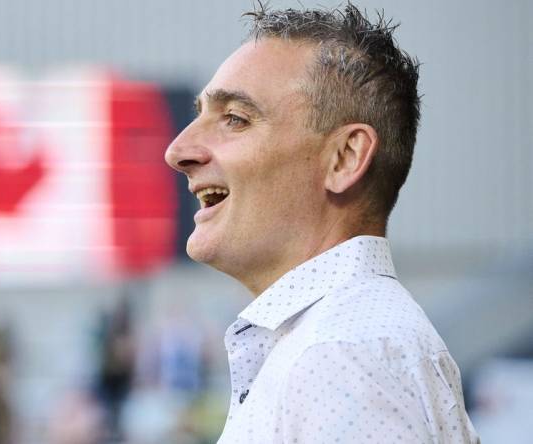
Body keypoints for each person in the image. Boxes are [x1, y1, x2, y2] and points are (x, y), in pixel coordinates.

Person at [163, 3, 479, 443]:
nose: (178, 151)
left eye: (235, 118)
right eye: (200, 114)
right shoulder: (336, 342)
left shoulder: (342, 352)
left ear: (345, 158)